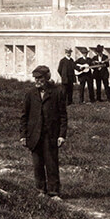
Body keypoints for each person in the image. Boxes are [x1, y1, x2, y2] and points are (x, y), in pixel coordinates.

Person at [20, 65, 67, 200]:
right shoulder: (30, 94)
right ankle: (40, 190)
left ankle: (54, 192)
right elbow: (24, 116)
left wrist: (61, 135)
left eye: (40, 77)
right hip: (34, 135)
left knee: (52, 164)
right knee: (37, 164)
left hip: (50, 135)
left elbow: (63, 116)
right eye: (35, 78)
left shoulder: (57, 93)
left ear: (47, 77)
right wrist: (23, 135)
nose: (37, 80)